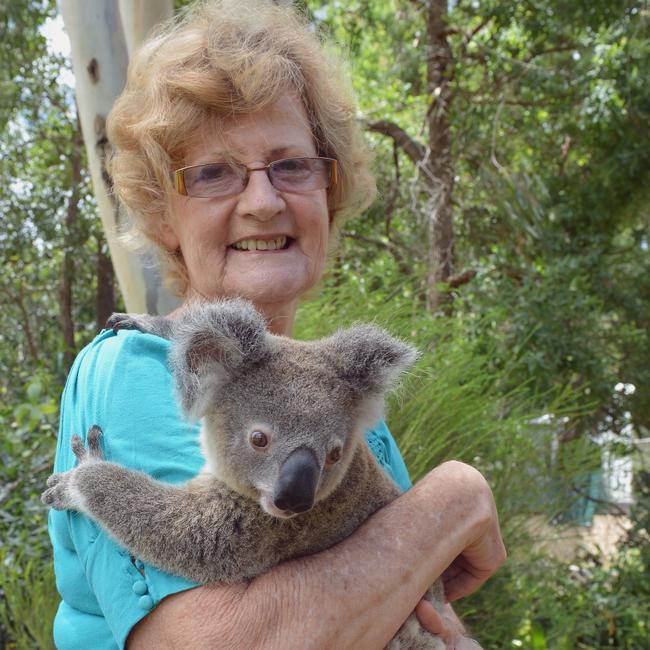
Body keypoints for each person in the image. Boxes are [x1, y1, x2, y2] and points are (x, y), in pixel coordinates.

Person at [47, 1, 506, 648]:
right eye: (213, 174)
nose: (264, 202)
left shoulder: (344, 402)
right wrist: (452, 502)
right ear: (161, 218)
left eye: (292, 166)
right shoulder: (140, 370)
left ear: (329, 193)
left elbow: (409, 605)